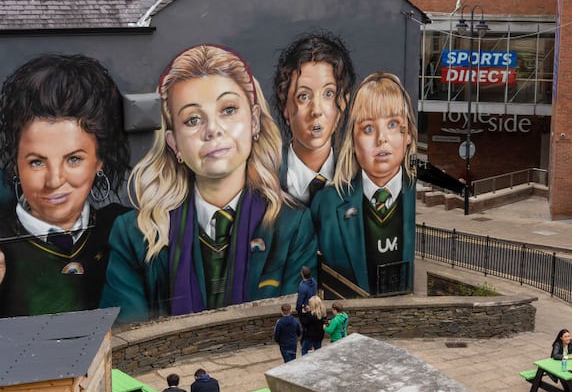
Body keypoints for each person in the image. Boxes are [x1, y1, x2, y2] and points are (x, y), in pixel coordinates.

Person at [100, 45, 317, 323]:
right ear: (174, 143)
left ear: (253, 122)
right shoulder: (134, 235)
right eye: (192, 119)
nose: (212, 129)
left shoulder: (292, 226)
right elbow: (127, 339)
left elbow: (295, 328)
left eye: (228, 110)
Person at [0, 53, 130, 317]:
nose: (54, 180)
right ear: (15, 163)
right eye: (37, 162)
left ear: (99, 160)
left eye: (73, 159)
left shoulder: (126, 229)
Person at [311, 72, 417, 297]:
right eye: (368, 128)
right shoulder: (326, 203)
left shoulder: (417, 196)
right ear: (353, 138)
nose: (381, 138)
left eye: (393, 124)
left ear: (408, 134)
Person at [272, 32, 355, 206]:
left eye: (328, 94)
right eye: (303, 96)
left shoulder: (358, 179)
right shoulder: (264, 179)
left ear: (343, 102)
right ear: (285, 107)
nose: (316, 111)